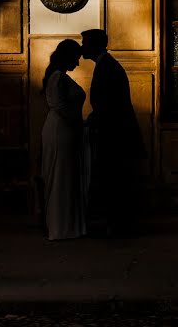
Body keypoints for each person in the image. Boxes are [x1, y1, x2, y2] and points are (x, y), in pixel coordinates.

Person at [80, 28, 147, 236]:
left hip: (116, 135)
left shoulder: (107, 67)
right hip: (115, 132)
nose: (82, 47)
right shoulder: (107, 65)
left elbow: (110, 105)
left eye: (85, 43)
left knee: (116, 180)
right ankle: (117, 223)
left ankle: (118, 224)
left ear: (95, 45)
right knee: (116, 180)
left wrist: (94, 119)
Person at [40, 39, 87, 240]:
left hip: (64, 129)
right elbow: (60, 106)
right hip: (61, 130)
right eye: (76, 58)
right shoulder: (58, 77)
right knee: (62, 176)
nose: (77, 63)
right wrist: (79, 124)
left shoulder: (58, 76)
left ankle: (67, 225)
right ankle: (61, 227)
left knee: (66, 176)